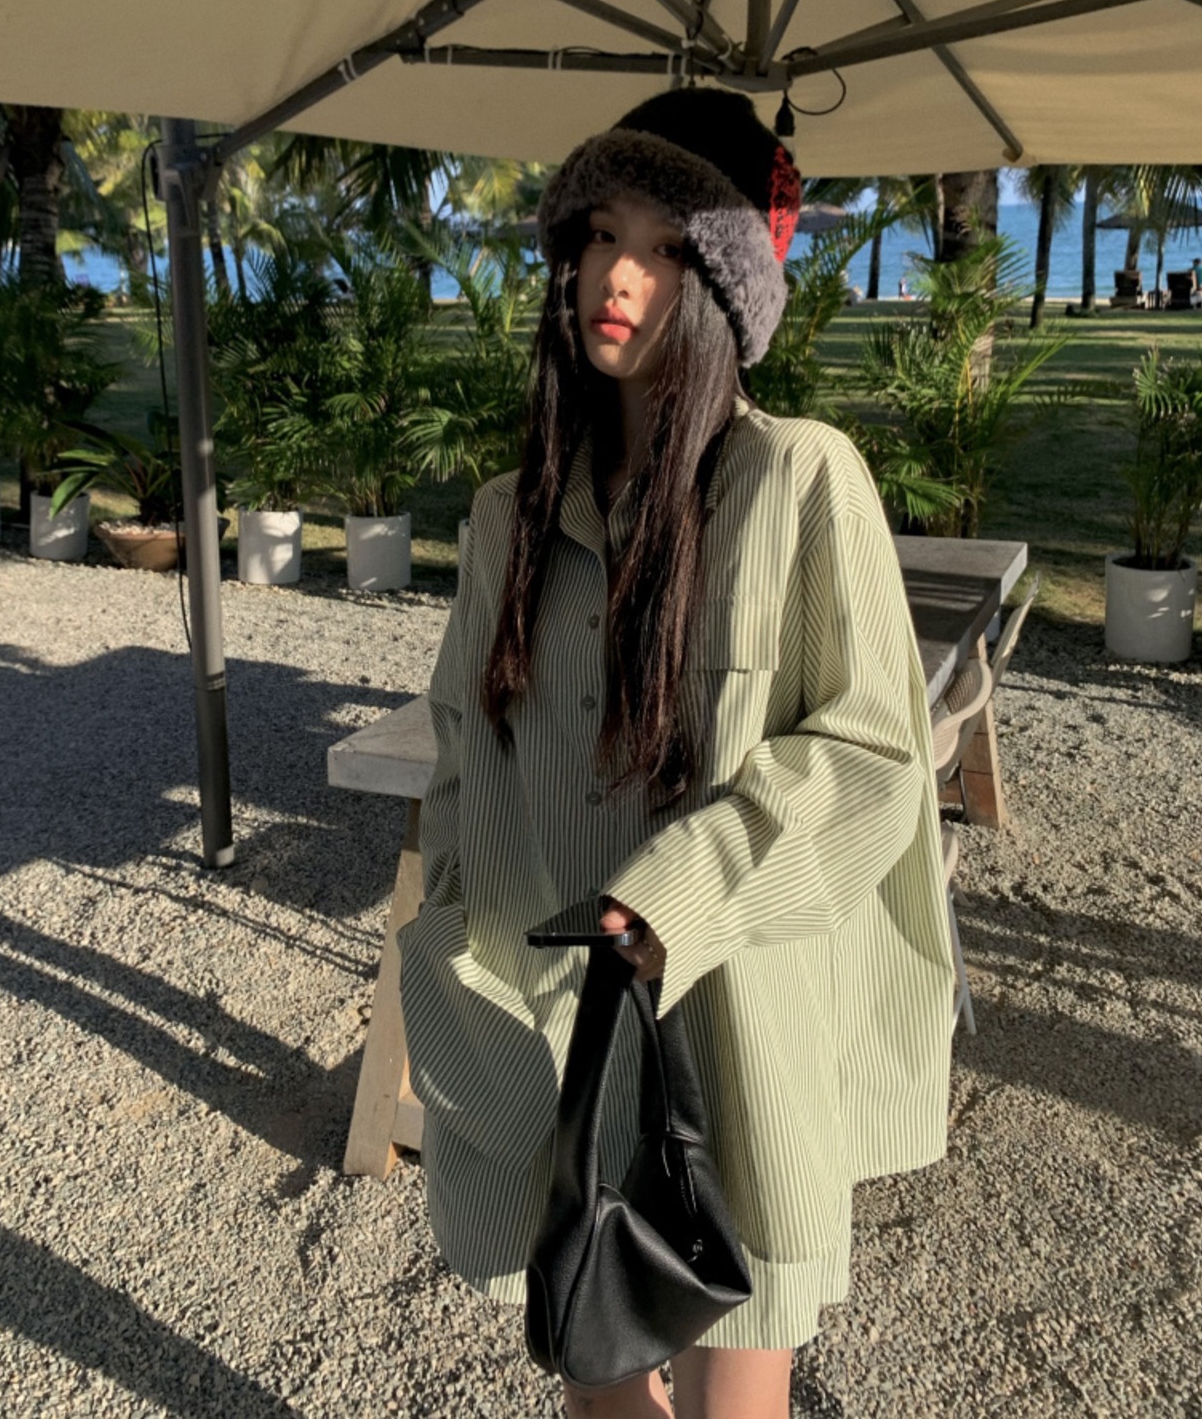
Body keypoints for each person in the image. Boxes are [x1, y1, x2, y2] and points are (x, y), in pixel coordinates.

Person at [398, 88, 953, 1419]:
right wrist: (449, 934)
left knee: (730, 1399)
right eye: (600, 233)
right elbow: (463, 754)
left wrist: (678, 895)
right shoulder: (508, 518)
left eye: (663, 246)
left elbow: (874, 755)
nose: (617, 276)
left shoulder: (800, 481)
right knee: (594, 1382)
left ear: (725, 287)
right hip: (553, 1029)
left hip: (738, 1036)